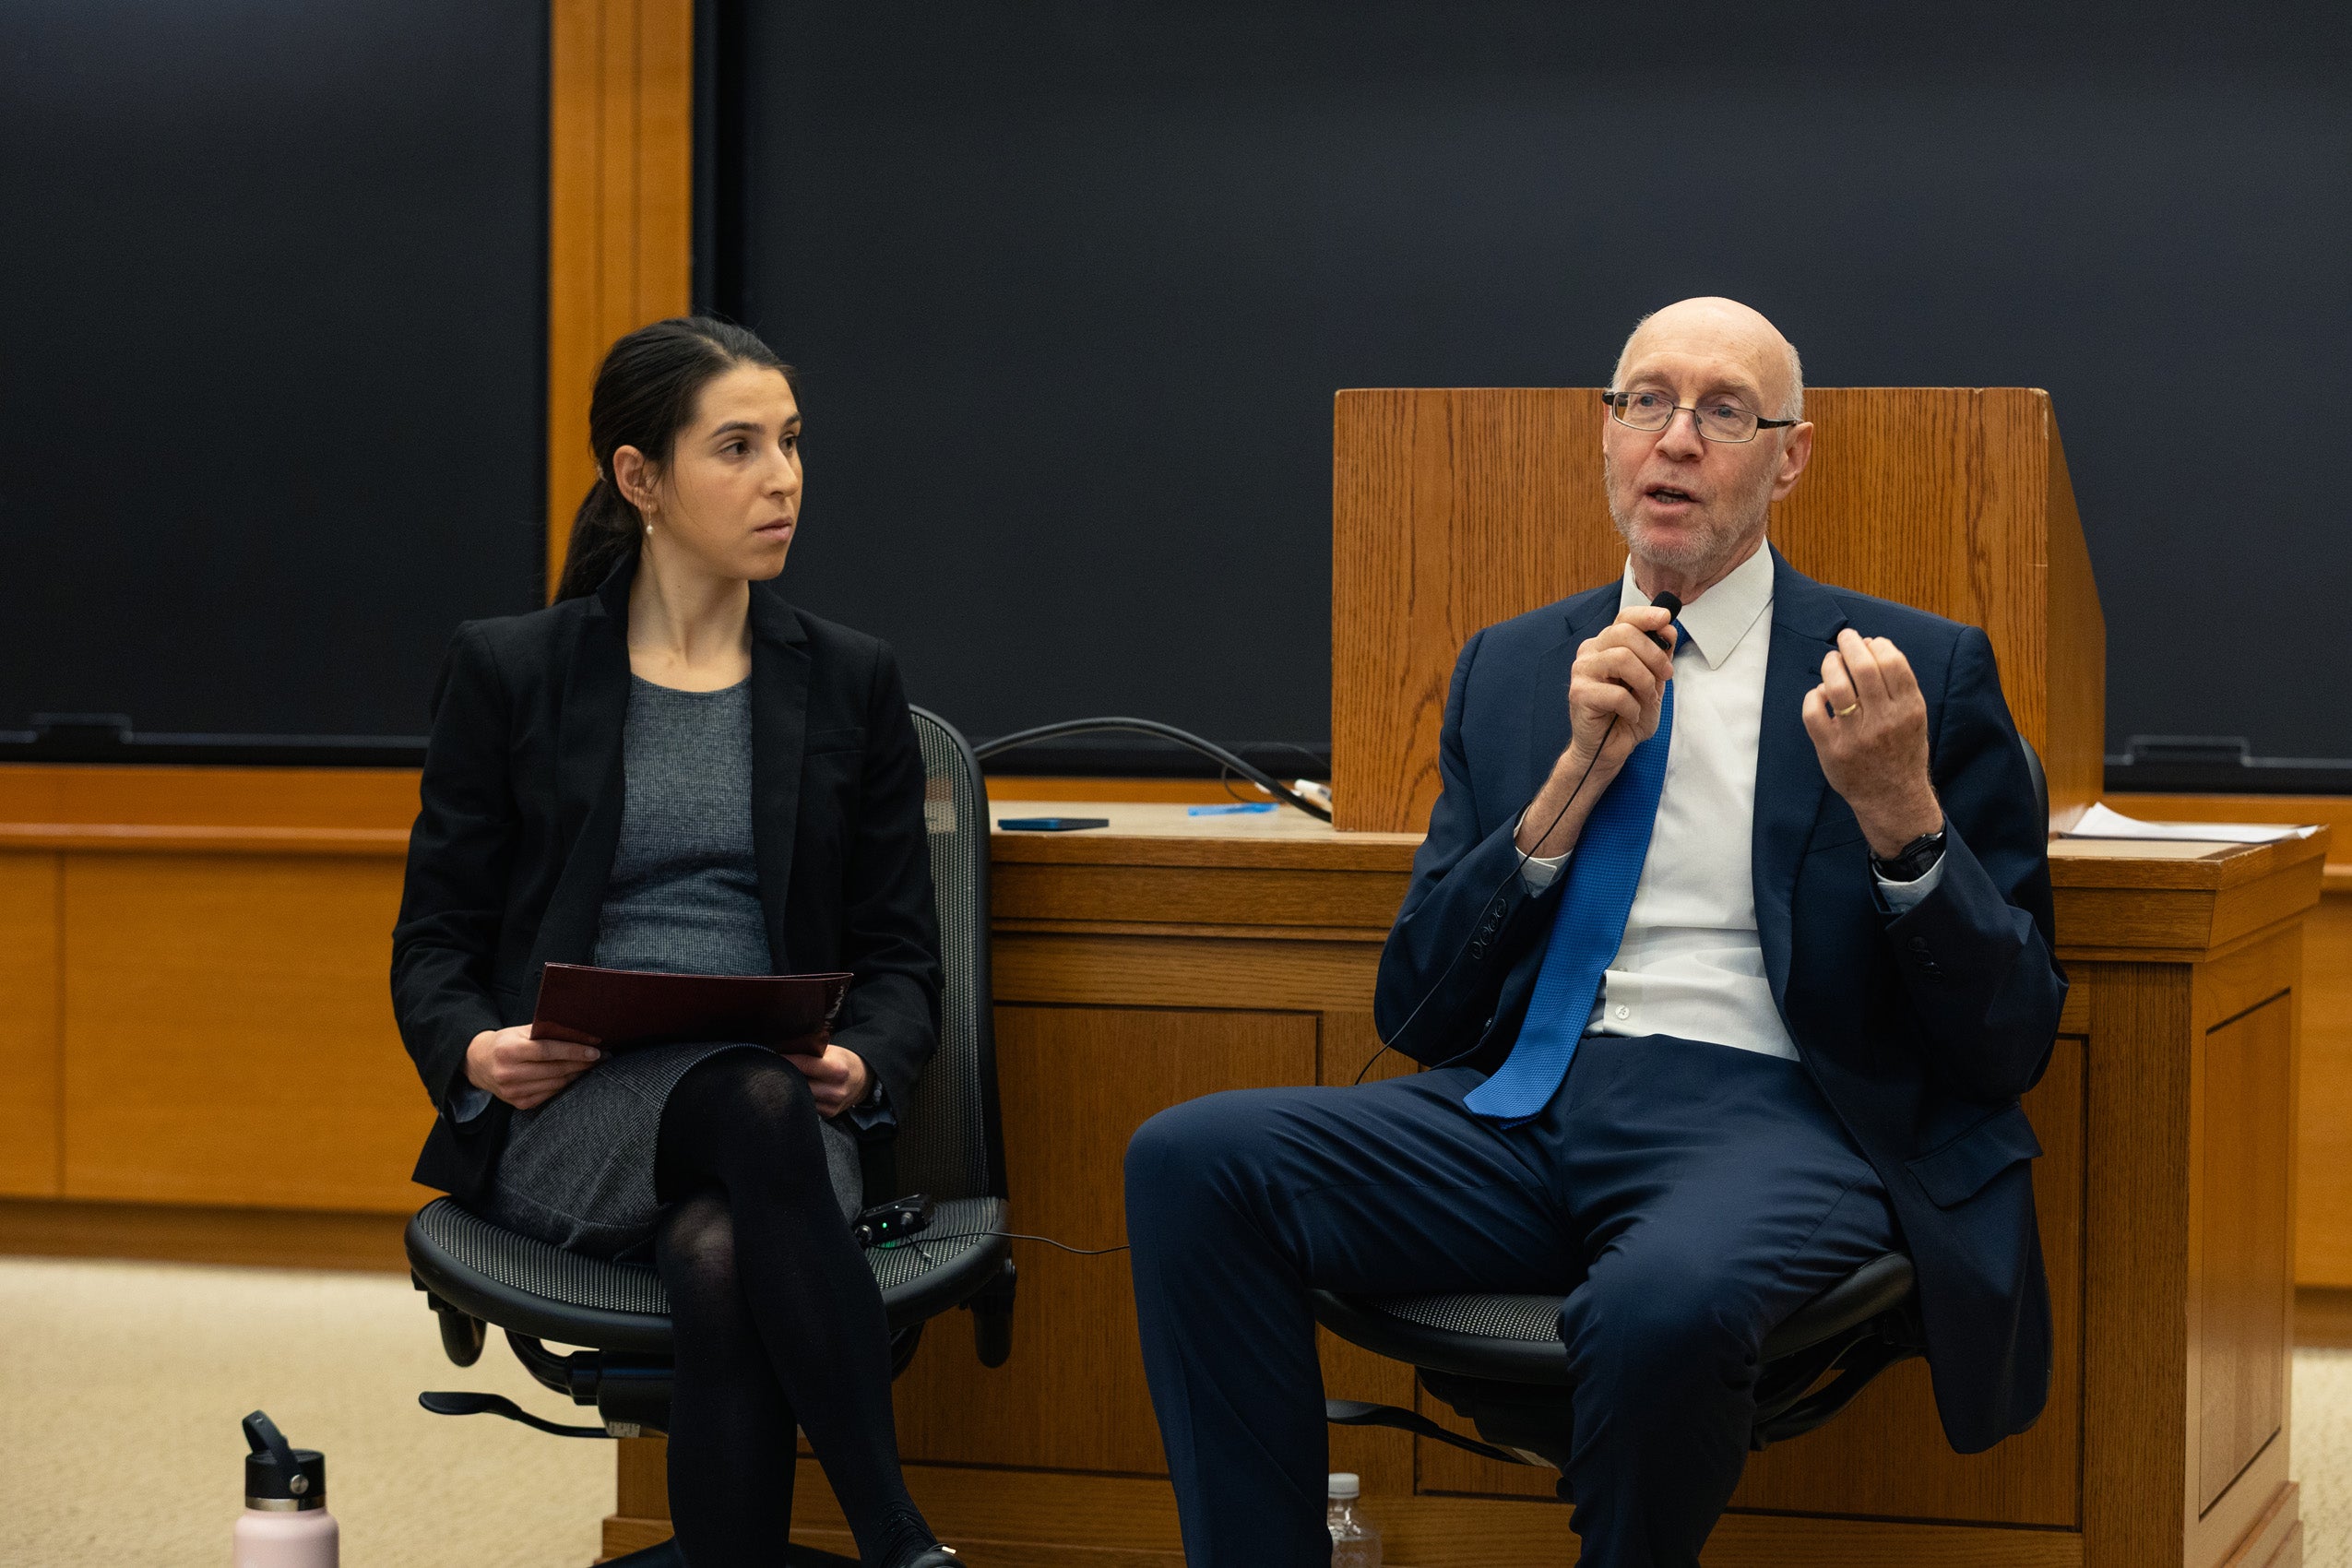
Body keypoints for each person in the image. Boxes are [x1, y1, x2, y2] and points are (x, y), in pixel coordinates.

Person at [1124, 297, 2066, 1567]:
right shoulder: (1512, 670)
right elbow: (1414, 1013)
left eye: (1721, 411)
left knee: (1657, 1305)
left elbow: (2007, 1037)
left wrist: (1902, 817)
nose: (1673, 440)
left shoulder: (1915, 673)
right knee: (1191, 1160)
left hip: (1778, 1113)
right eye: (1644, 402)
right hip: (1531, 1102)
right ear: (1604, 434)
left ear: (1787, 456)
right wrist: (1562, 790)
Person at [391, 317, 957, 1568]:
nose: (783, 480)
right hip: (577, 1113)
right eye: (739, 447)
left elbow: (902, 959)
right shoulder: (514, 671)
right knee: (750, 1115)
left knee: (719, 1244)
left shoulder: (846, 681)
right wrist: (478, 1051)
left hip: (785, 1125)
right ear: (639, 479)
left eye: (794, 445)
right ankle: (896, 1535)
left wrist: (863, 1065)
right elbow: (431, 941)